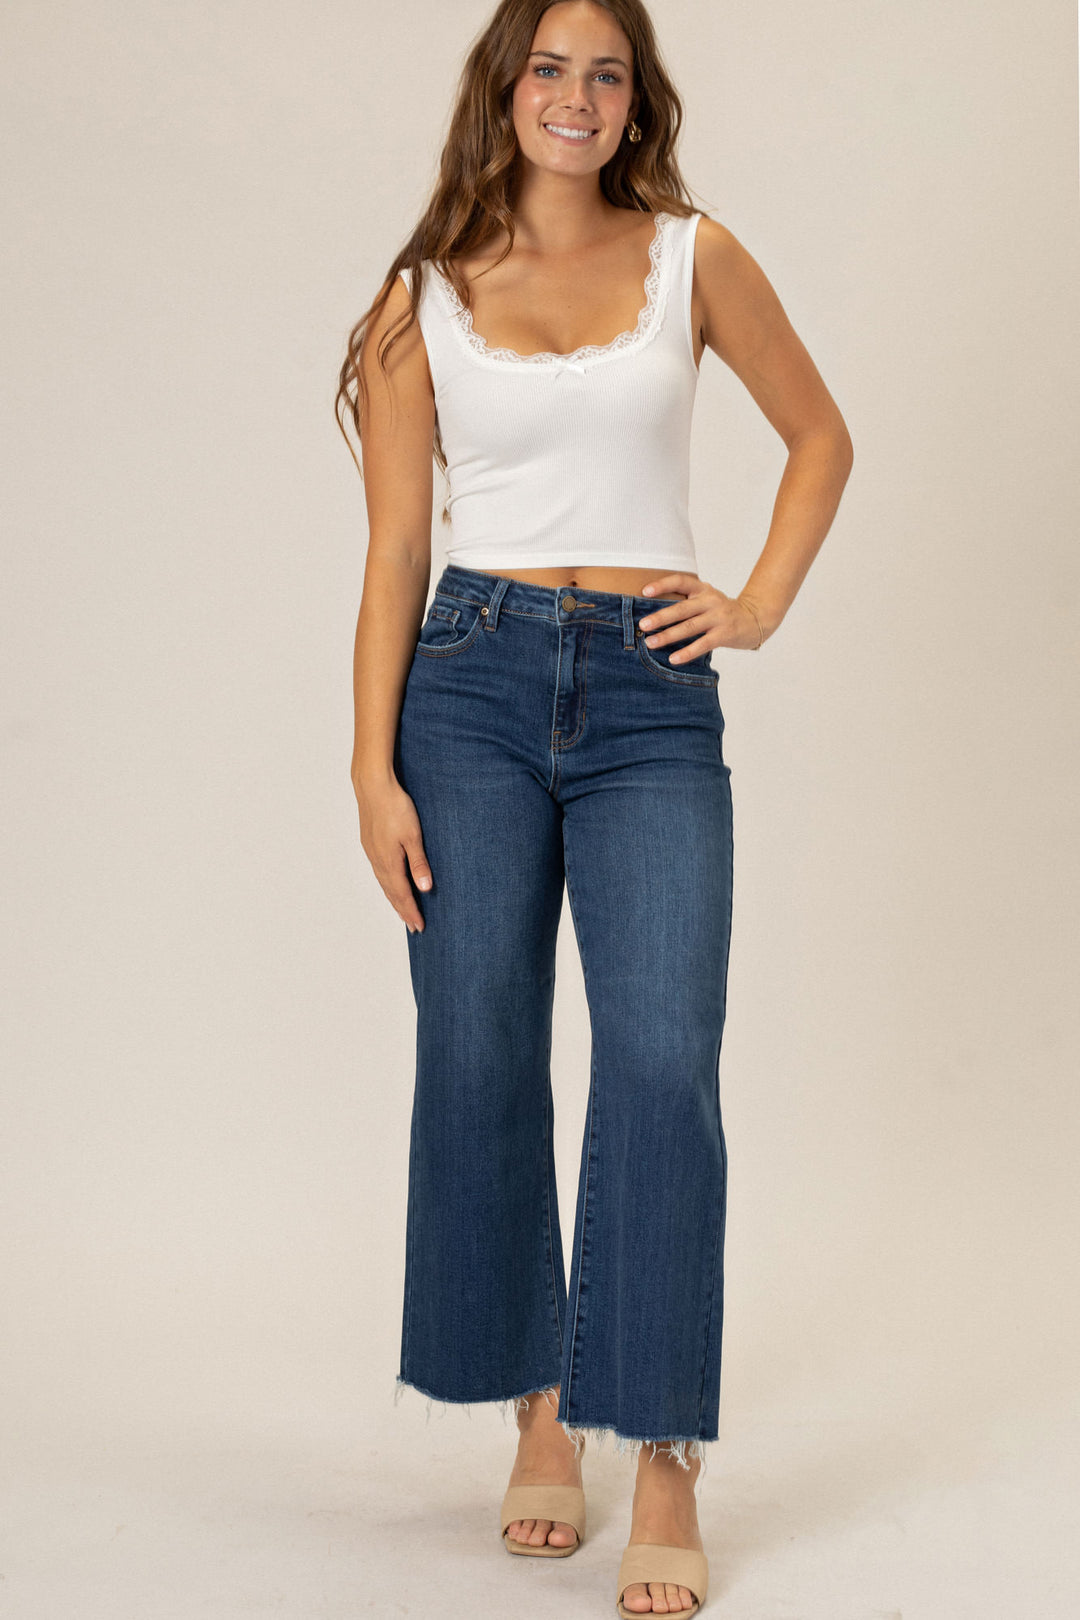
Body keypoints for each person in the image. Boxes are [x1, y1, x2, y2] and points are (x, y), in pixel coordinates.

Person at [336, 1, 852, 1612]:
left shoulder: (694, 257)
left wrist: (751, 606)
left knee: (660, 1058)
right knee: (479, 1046)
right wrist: (369, 767)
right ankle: (543, 1411)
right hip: (467, 691)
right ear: (506, 90)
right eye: (550, 68)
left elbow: (821, 437)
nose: (577, 95)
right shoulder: (419, 300)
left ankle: (663, 1448)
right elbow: (396, 553)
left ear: (638, 100)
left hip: (648, 696)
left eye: (606, 72)